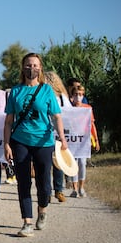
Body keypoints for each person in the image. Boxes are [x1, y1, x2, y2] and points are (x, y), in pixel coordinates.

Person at [3, 53, 68, 237]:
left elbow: (56, 117)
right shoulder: (15, 91)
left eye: (35, 65)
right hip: (20, 141)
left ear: (40, 68)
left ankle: (43, 209)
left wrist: (62, 138)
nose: (32, 68)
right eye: (28, 65)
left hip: (43, 142)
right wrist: (6, 144)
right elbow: (8, 121)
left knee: (44, 184)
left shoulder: (47, 90)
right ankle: (27, 223)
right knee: (23, 182)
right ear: (23, 68)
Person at [44, 71, 72, 203]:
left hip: (57, 134)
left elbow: (69, 115)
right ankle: (49, 191)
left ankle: (58, 190)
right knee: (47, 164)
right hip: (44, 134)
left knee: (57, 163)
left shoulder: (62, 98)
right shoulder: (43, 95)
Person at [69, 85, 100, 198]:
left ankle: (82, 187)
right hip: (72, 140)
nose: (78, 97)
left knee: (82, 163)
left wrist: (96, 139)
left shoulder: (87, 108)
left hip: (84, 140)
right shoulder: (69, 109)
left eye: (81, 94)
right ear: (72, 96)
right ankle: (74, 188)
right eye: (76, 94)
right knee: (73, 164)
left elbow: (92, 125)